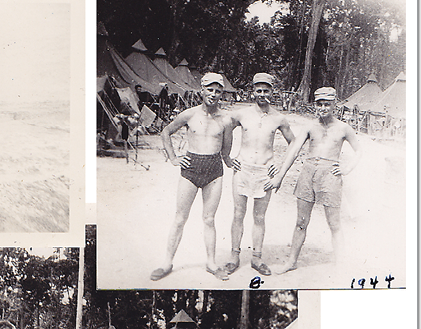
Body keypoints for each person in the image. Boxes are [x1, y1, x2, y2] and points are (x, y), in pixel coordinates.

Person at [150, 73, 233, 282]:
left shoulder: (226, 119)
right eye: (210, 90)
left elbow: (226, 151)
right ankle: (166, 263)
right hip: (191, 168)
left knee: (209, 219)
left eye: (218, 91)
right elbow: (166, 132)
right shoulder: (189, 114)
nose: (213, 94)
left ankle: (212, 264)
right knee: (179, 218)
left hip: (214, 170)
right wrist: (173, 158)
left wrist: (232, 161)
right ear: (202, 90)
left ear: (222, 93)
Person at [267, 87, 361, 271]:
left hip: (331, 175)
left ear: (334, 105)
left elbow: (359, 150)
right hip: (308, 173)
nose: (323, 108)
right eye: (320, 104)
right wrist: (279, 176)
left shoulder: (343, 128)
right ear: (315, 105)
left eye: (327, 104)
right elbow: (293, 151)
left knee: (334, 223)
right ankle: (291, 262)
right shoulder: (310, 126)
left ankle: (340, 263)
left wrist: (347, 167)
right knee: (301, 222)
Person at [222, 72, 295, 276]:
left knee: (259, 217)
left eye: (266, 90)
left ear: (272, 91)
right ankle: (234, 257)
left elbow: (294, 143)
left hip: (265, 171)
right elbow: (226, 127)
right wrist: (226, 156)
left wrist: (279, 167)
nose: (262, 94)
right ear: (252, 91)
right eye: (258, 90)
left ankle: (256, 258)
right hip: (242, 168)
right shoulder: (241, 114)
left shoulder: (278, 118)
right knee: (238, 214)